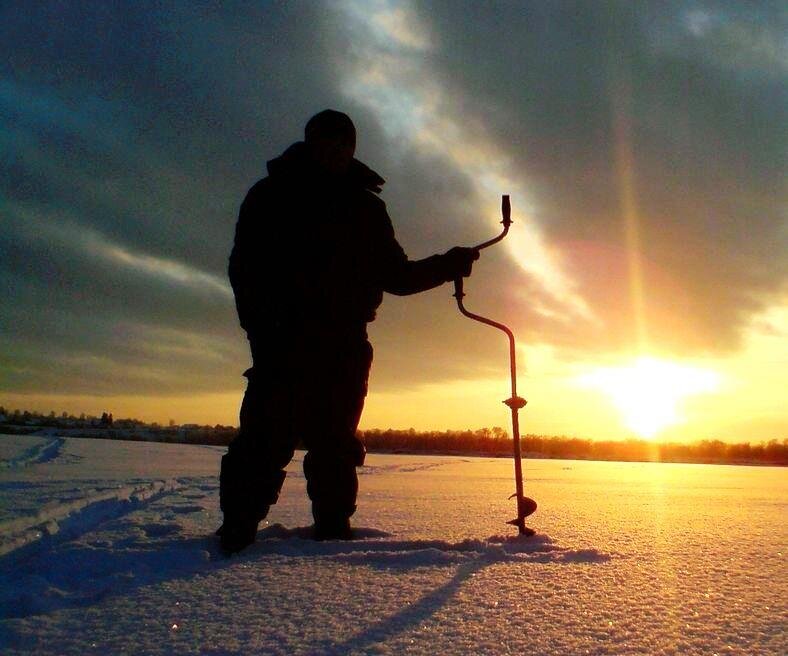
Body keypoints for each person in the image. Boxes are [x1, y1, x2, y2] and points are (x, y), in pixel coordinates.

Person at [218, 109, 479, 553]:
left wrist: (447, 264)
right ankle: (236, 531)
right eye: (328, 142)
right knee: (264, 439)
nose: (337, 151)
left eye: (345, 144)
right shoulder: (271, 195)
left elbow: (396, 276)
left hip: (344, 346)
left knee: (336, 446)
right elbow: (245, 270)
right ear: (310, 142)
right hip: (282, 343)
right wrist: (261, 330)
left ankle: (333, 536)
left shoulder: (366, 207)